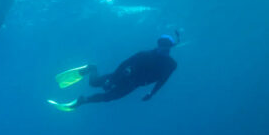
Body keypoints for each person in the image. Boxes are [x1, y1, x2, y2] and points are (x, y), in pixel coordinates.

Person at [48, 33, 179, 111]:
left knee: (110, 97)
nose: (162, 49)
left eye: (166, 47)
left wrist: (152, 93)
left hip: (133, 84)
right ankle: (91, 68)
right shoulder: (145, 54)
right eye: (161, 45)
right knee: (94, 84)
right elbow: (124, 64)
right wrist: (112, 80)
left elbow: (163, 80)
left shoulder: (171, 65)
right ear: (158, 45)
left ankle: (82, 101)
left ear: (170, 48)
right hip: (121, 76)